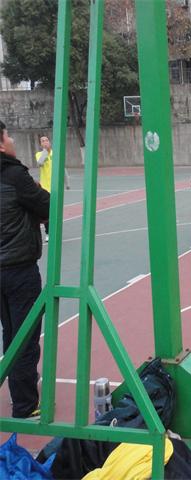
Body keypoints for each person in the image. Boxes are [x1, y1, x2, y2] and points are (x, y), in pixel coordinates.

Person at [0, 120, 50, 419]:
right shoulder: (14, 175)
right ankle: (25, 404)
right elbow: (47, 206)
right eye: (7, 136)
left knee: (10, 331)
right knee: (25, 335)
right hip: (18, 268)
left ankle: (19, 392)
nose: (12, 140)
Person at [35, 135, 70, 242]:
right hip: (45, 188)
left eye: (46, 140)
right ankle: (48, 233)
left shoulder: (56, 154)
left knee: (56, 211)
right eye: (43, 141)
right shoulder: (39, 154)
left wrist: (67, 182)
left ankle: (56, 231)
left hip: (56, 188)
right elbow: (40, 163)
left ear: (50, 142)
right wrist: (46, 151)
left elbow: (62, 168)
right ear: (41, 144)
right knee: (48, 212)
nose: (45, 142)